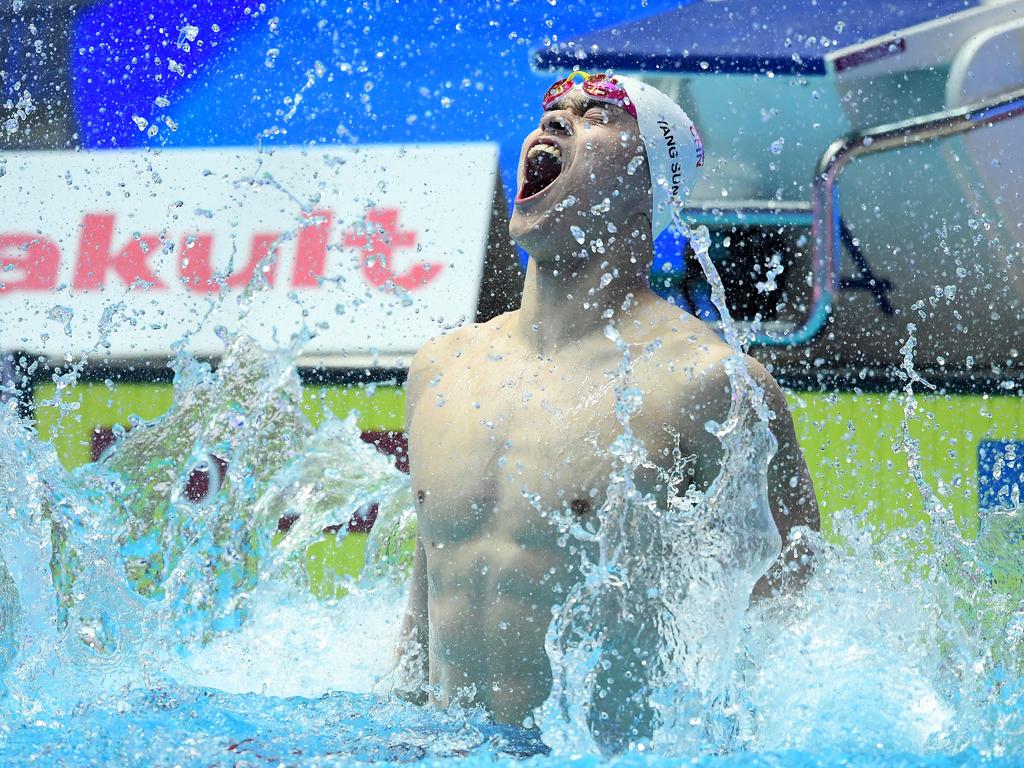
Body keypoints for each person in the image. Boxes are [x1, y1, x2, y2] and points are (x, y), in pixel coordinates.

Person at [392, 72, 820, 748]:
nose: (557, 120)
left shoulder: (709, 382)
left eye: (595, 116)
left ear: (650, 185)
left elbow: (790, 595)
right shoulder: (442, 368)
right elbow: (425, 600)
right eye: (554, 109)